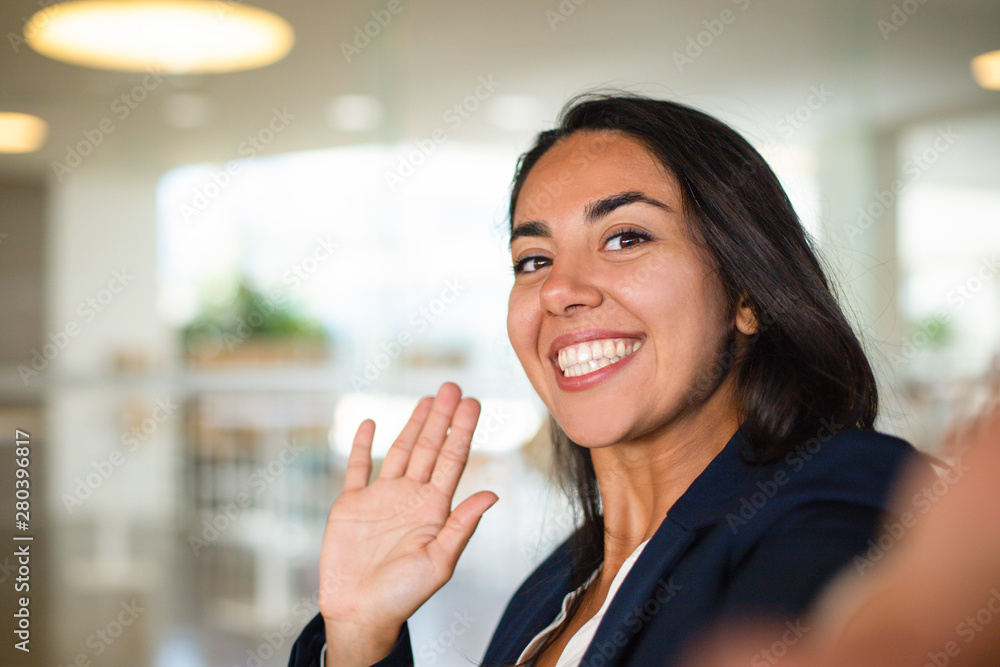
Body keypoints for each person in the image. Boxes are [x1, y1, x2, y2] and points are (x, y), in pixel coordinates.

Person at [287, 94, 927, 667]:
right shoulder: (554, 585)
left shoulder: (829, 519)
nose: (560, 290)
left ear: (747, 295)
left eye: (625, 238)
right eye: (534, 260)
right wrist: (359, 641)